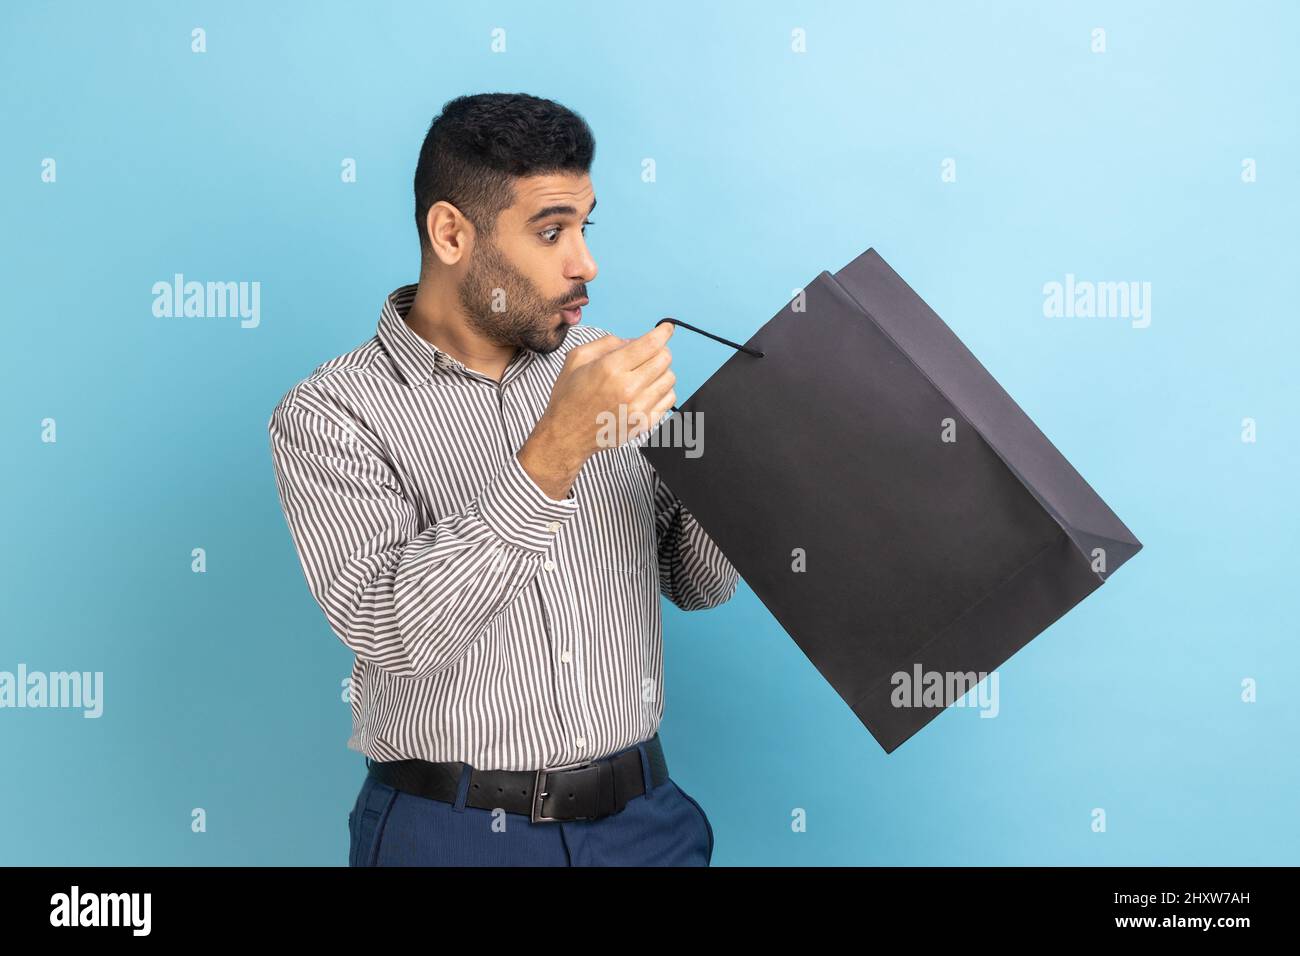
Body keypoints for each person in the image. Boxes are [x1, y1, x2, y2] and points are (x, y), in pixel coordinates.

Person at [267, 92, 738, 866]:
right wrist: (557, 448)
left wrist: (753, 460)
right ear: (452, 232)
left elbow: (698, 584)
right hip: (452, 833)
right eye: (552, 231)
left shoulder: (605, 369)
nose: (586, 262)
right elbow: (391, 631)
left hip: (648, 824)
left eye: (586, 227)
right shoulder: (331, 414)